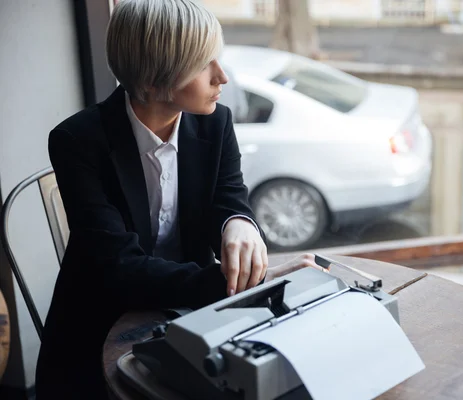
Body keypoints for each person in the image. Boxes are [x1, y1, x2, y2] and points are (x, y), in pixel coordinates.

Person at [35, 1, 322, 398]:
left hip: (192, 309)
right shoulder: (77, 142)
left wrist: (238, 222)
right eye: (204, 65)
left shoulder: (215, 119)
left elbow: (229, 194)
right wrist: (243, 285)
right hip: (100, 324)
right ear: (153, 83)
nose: (222, 77)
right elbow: (118, 268)